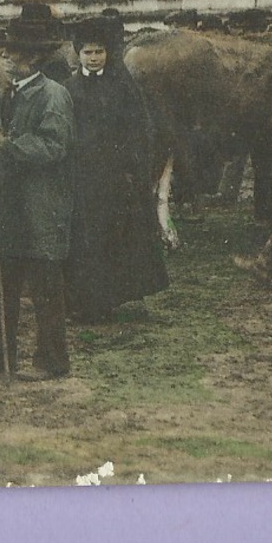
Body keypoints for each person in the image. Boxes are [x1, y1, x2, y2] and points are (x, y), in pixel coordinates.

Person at [0, 9, 76, 380]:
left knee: (46, 289)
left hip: (40, 208)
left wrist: (7, 143)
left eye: (11, 55)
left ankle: (51, 361)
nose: (5, 60)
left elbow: (53, 146)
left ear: (31, 58)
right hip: (6, 205)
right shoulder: (6, 93)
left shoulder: (54, 95)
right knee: (0, 285)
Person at [63, 18, 167, 322]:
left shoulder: (122, 87)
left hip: (114, 177)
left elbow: (139, 129)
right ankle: (82, 301)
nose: (94, 58)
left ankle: (106, 299)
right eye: (88, 52)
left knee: (111, 238)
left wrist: (132, 168)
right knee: (82, 239)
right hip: (81, 176)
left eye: (99, 52)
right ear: (78, 54)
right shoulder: (68, 89)